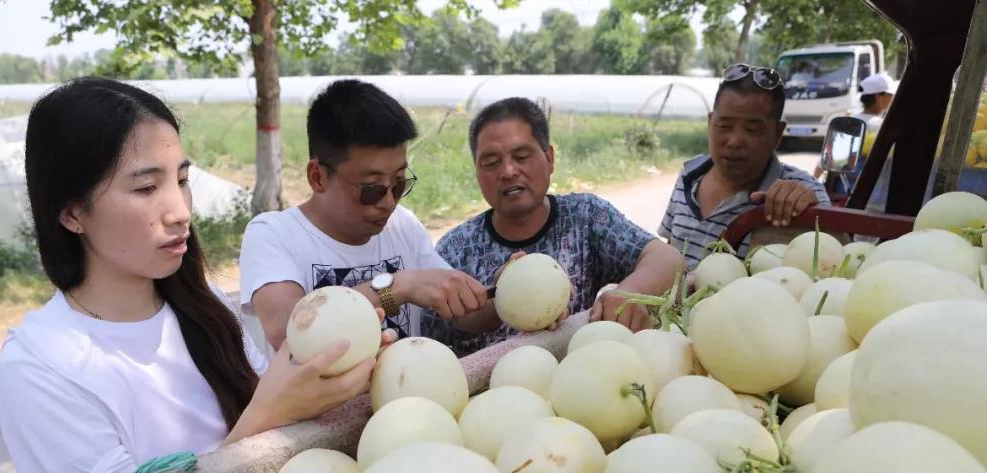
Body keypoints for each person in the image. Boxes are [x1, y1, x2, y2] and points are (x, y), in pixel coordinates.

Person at [0, 77, 384, 473]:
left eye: (181, 180)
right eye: (145, 188)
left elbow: (278, 422)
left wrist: (332, 375)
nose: (180, 211)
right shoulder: (41, 366)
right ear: (72, 213)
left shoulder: (205, 304)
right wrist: (268, 416)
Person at [240, 79, 488, 354]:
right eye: (372, 189)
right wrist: (397, 288)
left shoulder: (403, 226)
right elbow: (286, 330)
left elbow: (467, 314)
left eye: (398, 183)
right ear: (318, 176)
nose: (388, 202)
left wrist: (505, 291)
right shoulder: (273, 234)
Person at [422, 97, 681, 357]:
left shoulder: (586, 217)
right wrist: (503, 300)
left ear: (549, 158)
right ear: (477, 172)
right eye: (491, 163)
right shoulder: (455, 250)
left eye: (521, 156)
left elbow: (667, 258)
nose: (508, 171)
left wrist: (631, 292)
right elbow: (429, 336)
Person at [657, 63, 832, 268]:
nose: (734, 141)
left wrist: (812, 215)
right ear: (710, 122)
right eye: (724, 126)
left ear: (777, 134)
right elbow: (670, 252)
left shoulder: (803, 193)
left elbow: (836, 264)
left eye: (751, 130)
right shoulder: (689, 174)